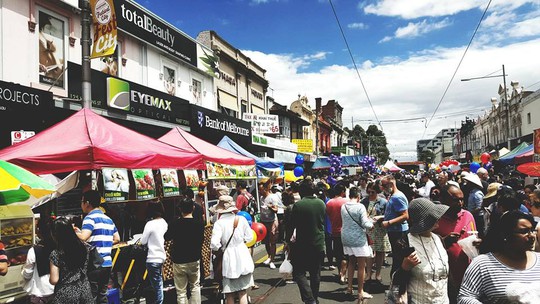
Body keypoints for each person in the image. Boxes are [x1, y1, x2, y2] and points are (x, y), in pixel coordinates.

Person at [458, 211, 540, 303]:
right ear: (506, 235)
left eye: (532, 230)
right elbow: (465, 297)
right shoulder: (482, 264)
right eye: (524, 231)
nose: (532, 236)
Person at [400, 198, 450, 303]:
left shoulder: (439, 239)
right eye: (432, 217)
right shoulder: (405, 242)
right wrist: (404, 268)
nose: (438, 218)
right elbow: (396, 277)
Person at [432, 184, 476, 303]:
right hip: (444, 275)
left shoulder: (468, 215)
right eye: (455, 200)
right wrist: (444, 241)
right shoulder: (435, 219)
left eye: (462, 199)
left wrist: (477, 242)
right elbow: (427, 245)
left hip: (467, 272)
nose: (460, 203)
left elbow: (474, 236)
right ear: (443, 200)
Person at [76, 190, 120, 304]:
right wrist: (104, 243)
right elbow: (117, 238)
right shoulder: (108, 219)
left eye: (82, 201)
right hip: (107, 263)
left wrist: (73, 231)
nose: (81, 204)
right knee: (102, 295)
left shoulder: (89, 218)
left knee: (91, 296)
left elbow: (84, 237)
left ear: (87, 203)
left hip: (95, 263)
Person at [210, 195, 254, 304]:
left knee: (229, 294)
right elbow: (250, 237)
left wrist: (222, 247)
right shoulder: (242, 219)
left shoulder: (219, 223)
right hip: (242, 255)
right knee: (242, 292)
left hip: (228, 258)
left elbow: (214, 244)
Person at [290, 179, 326, 304]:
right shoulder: (321, 203)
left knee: (299, 272)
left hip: (302, 244)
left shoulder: (298, 205)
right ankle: (314, 297)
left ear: (301, 192)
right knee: (315, 272)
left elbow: (292, 225)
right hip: (318, 243)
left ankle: (309, 298)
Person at [165, 198, 204, 304]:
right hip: (194, 259)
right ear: (193, 208)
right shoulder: (199, 224)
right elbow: (201, 240)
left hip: (179, 260)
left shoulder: (175, 223)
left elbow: (166, 237)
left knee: (181, 291)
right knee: (195, 286)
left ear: (180, 209)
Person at [341, 187, 375, 301]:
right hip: (358, 238)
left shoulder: (344, 206)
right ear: (359, 196)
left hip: (346, 237)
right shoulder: (360, 207)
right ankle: (360, 291)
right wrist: (372, 223)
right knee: (361, 266)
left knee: (351, 262)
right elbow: (365, 223)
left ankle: (349, 288)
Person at [49, 217, 93, 303]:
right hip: (84, 288)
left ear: (55, 234)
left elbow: (54, 280)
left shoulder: (56, 254)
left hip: (66, 294)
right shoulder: (84, 247)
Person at [361, 182, 390, 292]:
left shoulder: (383, 202)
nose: (370, 194)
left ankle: (377, 274)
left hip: (379, 229)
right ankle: (368, 274)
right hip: (369, 230)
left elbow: (388, 215)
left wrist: (380, 217)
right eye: (369, 192)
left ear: (377, 191)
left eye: (373, 192)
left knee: (380, 252)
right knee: (369, 253)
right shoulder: (364, 201)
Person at [381, 175, 410, 275]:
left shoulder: (397, 197)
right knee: (397, 258)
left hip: (399, 232)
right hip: (394, 231)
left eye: (384, 185)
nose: (382, 187)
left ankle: (397, 285)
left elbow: (405, 215)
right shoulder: (393, 196)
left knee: (399, 260)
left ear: (391, 184)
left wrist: (389, 222)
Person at [22, 218, 55, 303]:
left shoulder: (34, 250)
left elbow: (27, 274)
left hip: (39, 292)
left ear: (39, 231)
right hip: (55, 291)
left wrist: (23, 271)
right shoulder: (59, 247)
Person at [141, 202, 168, 304]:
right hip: (162, 256)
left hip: (152, 257)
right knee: (159, 282)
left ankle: (159, 302)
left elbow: (143, 241)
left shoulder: (150, 224)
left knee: (157, 285)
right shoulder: (164, 223)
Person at [326, 184, 349, 284]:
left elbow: (328, 215)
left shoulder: (329, 203)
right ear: (343, 192)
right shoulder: (346, 202)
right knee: (345, 255)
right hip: (346, 230)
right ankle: (343, 275)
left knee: (338, 254)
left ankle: (340, 272)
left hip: (334, 231)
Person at [259, 181, 280, 269]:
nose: (260, 191)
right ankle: (269, 256)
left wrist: (269, 207)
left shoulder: (272, 197)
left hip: (272, 220)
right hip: (264, 220)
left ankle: (272, 260)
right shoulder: (261, 198)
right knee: (266, 241)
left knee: (273, 241)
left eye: (261, 189)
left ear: (265, 189)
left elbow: (276, 210)